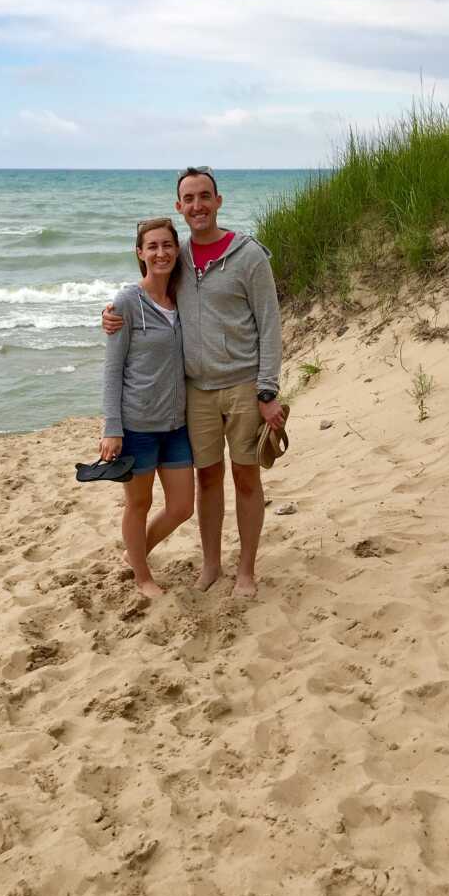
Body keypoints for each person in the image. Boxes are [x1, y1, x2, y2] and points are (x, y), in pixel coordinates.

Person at [104, 167, 284, 598]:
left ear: (219, 201)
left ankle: (246, 571)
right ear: (178, 206)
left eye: (205, 196)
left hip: (243, 385)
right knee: (206, 481)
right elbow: (146, 294)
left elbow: (270, 324)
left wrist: (267, 390)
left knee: (246, 479)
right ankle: (211, 565)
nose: (198, 205)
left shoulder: (248, 255)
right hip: (195, 393)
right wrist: (112, 315)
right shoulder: (177, 257)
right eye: (189, 198)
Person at [100, 217, 195, 598]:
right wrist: (112, 427)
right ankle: (142, 576)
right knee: (138, 503)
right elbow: (112, 369)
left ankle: (134, 554)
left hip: (177, 424)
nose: (161, 253)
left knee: (182, 507)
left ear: (177, 249)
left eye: (167, 245)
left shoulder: (185, 295)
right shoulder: (126, 302)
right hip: (137, 425)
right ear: (140, 253)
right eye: (152, 246)